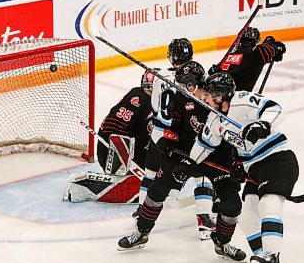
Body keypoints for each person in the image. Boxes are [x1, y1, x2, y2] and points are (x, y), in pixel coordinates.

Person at [188, 72, 298, 263]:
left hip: (277, 159)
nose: (205, 100)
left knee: (268, 205)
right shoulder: (215, 119)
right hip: (254, 169)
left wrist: (262, 125)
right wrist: (187, 164)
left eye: (209, 96)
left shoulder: (243, 100)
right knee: (248, 218)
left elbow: (275, 109)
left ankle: (270, 261)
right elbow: (203, 147)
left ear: (220, 96)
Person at [117, 60, 221, 250]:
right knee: (159, 188)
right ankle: (142, 232)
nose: (180, 87)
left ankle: (212, 225)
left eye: (183, 84)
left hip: (199, 146)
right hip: (178, 145)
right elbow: (176, 122)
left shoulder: (210, 99)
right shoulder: (184, 97)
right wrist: (169, 142)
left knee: (210, 182)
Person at [135, 38, 217, 240]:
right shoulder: (200, 74)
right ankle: (204, 219)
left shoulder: (159, 76)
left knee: (151, 172)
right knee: (202, 173)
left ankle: (140, 212)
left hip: (161, 133)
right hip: (188, 132)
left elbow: (156, 107)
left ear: (171, 56)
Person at [63, 69, 155, 204]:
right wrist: (122, 155)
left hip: (135, 151)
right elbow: (113, 130)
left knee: (152, 183)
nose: (151, 92)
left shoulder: (157, 101)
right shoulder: (137, 98)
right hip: (112, 151)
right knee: (137, 188)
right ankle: (82, 183)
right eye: (148, 89)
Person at [208, 27, 286, 92]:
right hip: (234, 98)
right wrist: (272, 44)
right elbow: (266, 50)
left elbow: (214, 72)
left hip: (215, 92)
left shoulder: (232, 53)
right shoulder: (253, 55)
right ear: (256, 42)